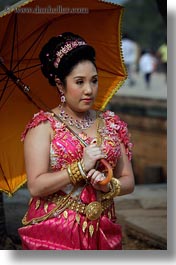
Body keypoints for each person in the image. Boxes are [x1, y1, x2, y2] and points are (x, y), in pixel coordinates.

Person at [18, 32, 135, 250]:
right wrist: (80, 168)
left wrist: (109, 184)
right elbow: (35, 186)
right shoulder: (43, 127)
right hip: (54, 233)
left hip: (104, 230)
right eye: (79, 82)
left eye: (94, 80)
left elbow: (128, 180)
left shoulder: (111, 123)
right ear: (60, 84)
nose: (89, 90)